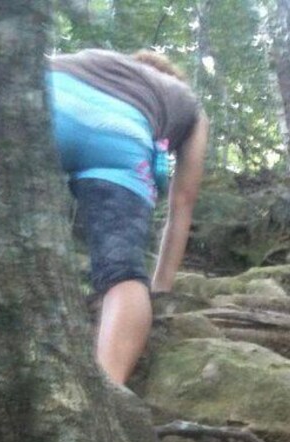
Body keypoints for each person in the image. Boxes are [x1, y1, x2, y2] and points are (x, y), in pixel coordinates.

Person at [46, 49, 209, 386]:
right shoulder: (185, 99)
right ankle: (107, 390)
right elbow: (183, 203)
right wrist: (160, 289)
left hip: (53, 97)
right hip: (122, 134)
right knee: (122, 276)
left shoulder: (97, 58)